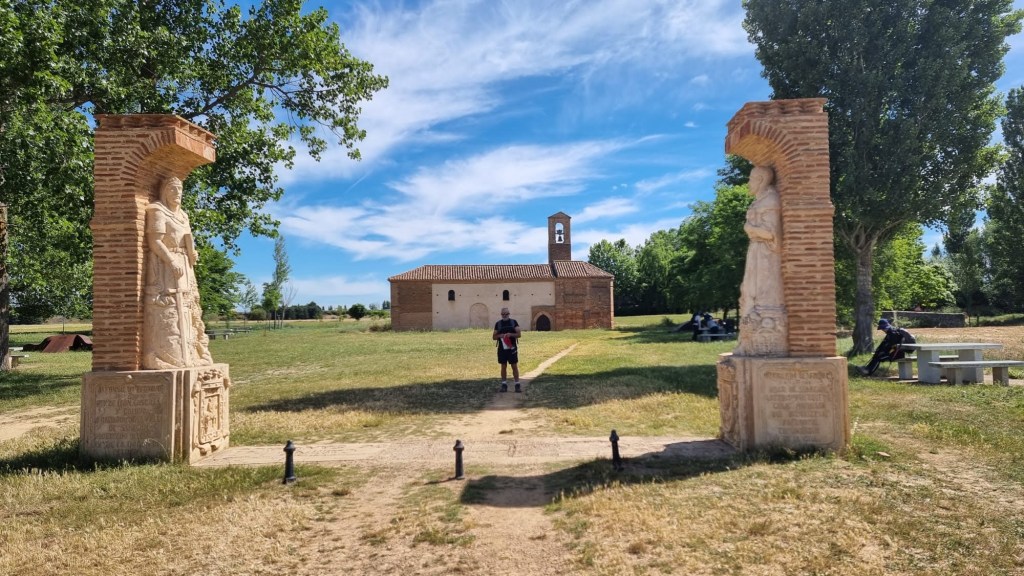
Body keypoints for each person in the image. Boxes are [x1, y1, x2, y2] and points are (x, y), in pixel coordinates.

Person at [142, 176, 212, 369]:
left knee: (189, 307)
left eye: (180, 189)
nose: (177, 193)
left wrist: (192, 253)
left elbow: (185, 239)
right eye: (173, 189)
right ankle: (166, 354)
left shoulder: (183, 215)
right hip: (165, 267)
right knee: (170, 307)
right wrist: (172, 260)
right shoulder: (157, 210)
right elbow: (155, 242)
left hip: (185, 265)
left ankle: (190, 353)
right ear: (164, 191)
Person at [492, 307, 522, 392]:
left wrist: (510, 334)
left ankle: (517, 385)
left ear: (509, 314)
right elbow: (494, 337)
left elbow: (519, 334)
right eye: (503, 314)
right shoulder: (498, 324)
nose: (504, 315)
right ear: (501, 314)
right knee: (503, 366)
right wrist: (500, 336)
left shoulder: (513, 322)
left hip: (512, 348)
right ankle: (504, 384)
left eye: (506, 314)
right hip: (502, 348)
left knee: (514, 366)